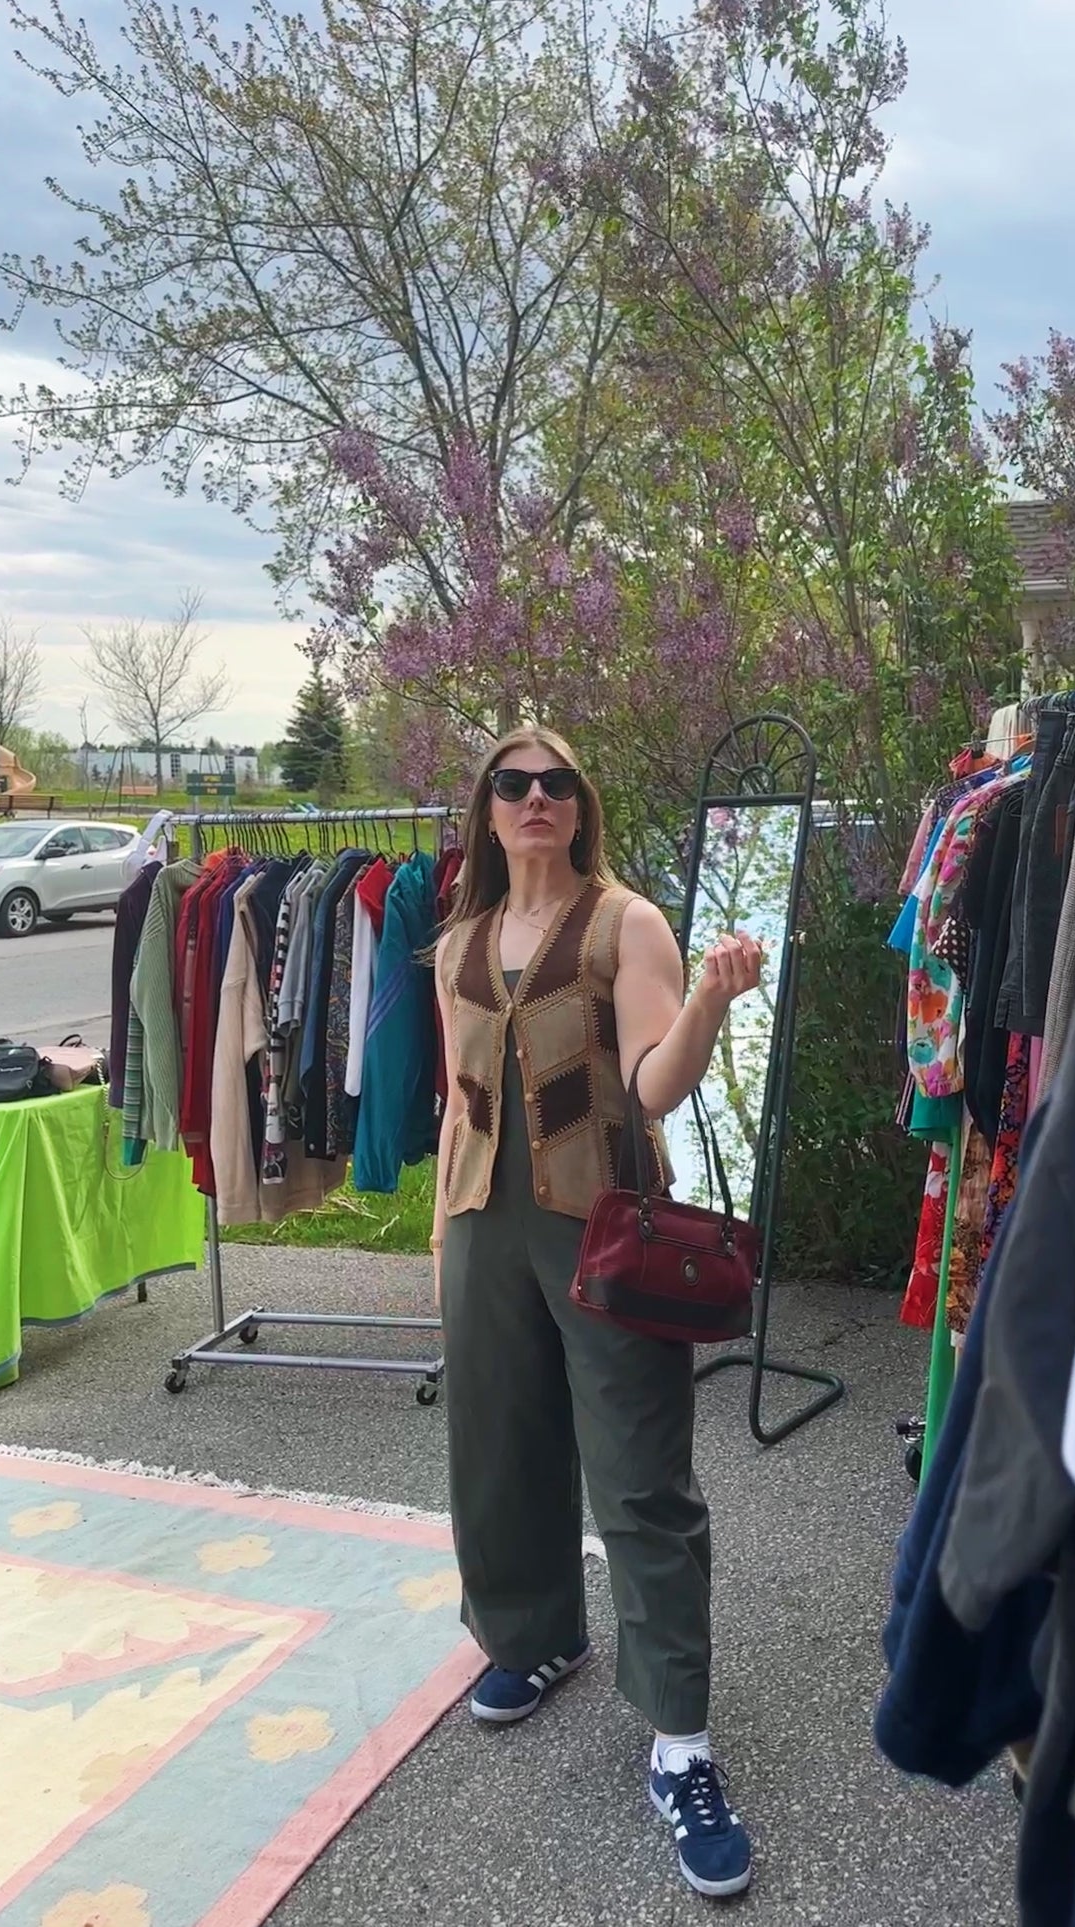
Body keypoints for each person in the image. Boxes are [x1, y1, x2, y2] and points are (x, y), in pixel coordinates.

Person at [432, 725, 763, 1901]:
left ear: (580, 804)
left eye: (554, 783)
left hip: (600, 1223)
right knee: (498, 1456)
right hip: (479, 1225)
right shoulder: (458, 940)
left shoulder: (626, 922)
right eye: (512, 783)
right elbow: (459, 1106)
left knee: (638, 1475)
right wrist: (441, 1236)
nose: (533, 798)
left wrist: (710, 1008)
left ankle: (680, 1740)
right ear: (486, 807)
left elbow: (652, 1083)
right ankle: (534, 1635)